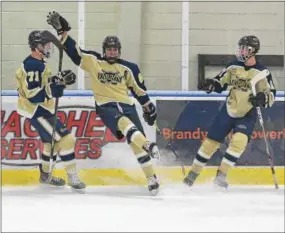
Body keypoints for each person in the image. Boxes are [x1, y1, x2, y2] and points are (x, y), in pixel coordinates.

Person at [46, 11, 160, 195]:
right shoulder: (94, 61)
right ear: (104, 50)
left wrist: (149, 107)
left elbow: (139, 90)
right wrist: (62, 31)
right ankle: (149, 145)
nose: (112, 52)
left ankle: (151, 178)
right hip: (106, 106)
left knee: (134, 143)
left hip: (127, 105)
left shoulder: (129, 68)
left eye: (115, 49)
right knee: (126, 126)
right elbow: (75, 52)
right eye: (109, 49)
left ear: (119, 51)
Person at [183, 35, 276, 188]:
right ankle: (192, 174)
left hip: (247, 113)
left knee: (239, 142)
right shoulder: (233, 66)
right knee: (209, 144)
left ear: (253, 51)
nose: (240, 51)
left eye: (244, 48)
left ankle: (221, 175)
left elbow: (271, 94)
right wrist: (211, 84)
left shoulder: (262, 72)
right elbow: (220, 82)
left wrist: (262, 99)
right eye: (240, 47)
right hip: (228, 110)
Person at [15, 30, 86, 192]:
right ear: (37, 46)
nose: (49, 48)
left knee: (50, 143)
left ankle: (45, 175)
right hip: (37, 111)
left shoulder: (36, 63)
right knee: (67, 140)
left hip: (40, 109)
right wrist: (53, 88)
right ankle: (72, 177)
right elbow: (34, 96)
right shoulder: (33, 65)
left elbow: (42, 86)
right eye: (46, 45)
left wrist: (56, 80)